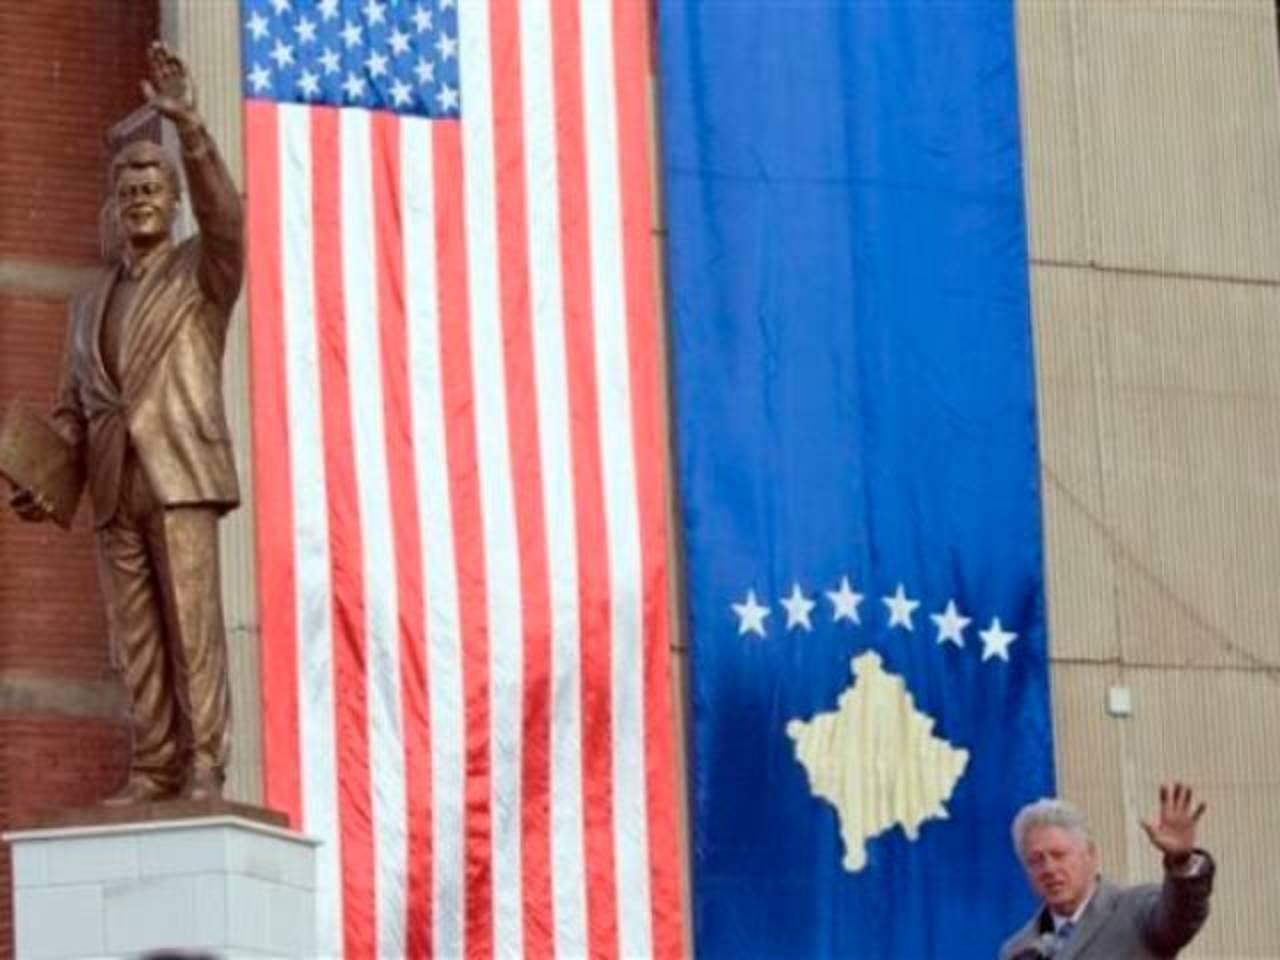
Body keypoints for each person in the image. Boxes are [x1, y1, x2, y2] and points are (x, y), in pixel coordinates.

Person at [8, 41, 243, 804]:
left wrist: (192, 131)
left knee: (191, 628)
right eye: (128, 184)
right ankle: (153, 766)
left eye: (152, 183)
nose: (140, 194)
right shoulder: (86, 307)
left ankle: (204, 763)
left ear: (173, 201)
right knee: (136, 638)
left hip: (179, 474)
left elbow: (228, 220)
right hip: (115, 486)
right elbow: (76, 413)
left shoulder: (202, 274)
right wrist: (41, 476)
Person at [1000, 782, 1214, 959]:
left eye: (1059, 855)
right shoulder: (1019, 950)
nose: (1049, 868)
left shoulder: (1137, 911)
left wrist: (1181, 861)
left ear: (1090, 855)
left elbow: (1183, 918)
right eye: (1036, 860)